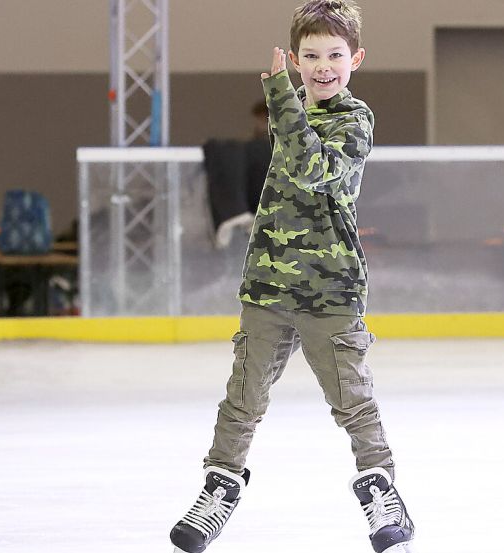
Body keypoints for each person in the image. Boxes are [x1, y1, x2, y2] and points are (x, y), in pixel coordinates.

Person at [169, 2, 415, 552]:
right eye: (311, 56)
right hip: (268, 286)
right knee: (243, 395)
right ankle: (220, 486)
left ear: (357, 59)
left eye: (334, 55)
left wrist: (282, 98)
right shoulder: (291, 113)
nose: (323, 65)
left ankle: (381, 491)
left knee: (353, 399)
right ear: (297, 60)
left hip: (330, 288)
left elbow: (315, 172)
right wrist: (287, 104)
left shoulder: (355, 119)